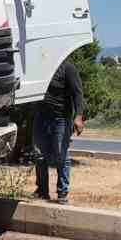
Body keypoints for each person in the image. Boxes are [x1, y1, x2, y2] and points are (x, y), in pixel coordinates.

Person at [34, 61, 85, 202]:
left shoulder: (67, 68)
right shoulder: (39, 65)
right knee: (39, 156)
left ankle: (62, 193)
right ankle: (42, 192)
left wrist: (78, 117)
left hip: (61, 118)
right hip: (41, 117)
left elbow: (78, 93)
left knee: (61, 156)